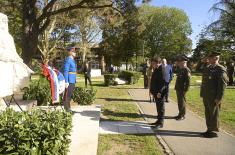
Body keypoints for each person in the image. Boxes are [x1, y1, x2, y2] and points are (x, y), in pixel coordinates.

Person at [200, 52, 228, 138]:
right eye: (209, 57)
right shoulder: (208, 67)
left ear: (216, 58)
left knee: (214, 114)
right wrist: (202, 93)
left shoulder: (220, 69)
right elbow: (203, 79)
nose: (208, 59)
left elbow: (222, 85)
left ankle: (213, 132)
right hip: (206, 95)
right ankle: (209, 129)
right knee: (208, 113)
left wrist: (219, 98)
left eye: (210, 57)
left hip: (214, 97)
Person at [149, 57, 166, 129]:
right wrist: (151, 90)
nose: (152, 65)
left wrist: (159, 92)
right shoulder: (156, 69)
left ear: (158, 63)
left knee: (161, 108)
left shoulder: (162, 69)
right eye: (152, 63)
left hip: (160, 92)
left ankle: (161, 123)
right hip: (155, 91)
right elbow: (153, 81)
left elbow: (163, 83)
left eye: (154, 63)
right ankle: (158, 120)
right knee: (158, 107)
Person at [174, 55, 191, 120]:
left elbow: (188, 81)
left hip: (182, 89)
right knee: (179, 102)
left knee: (182, 102)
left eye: (180, 62)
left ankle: (182, 115)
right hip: (178, 88)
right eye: (179, 61)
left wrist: (186, 89)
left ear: (184, 62)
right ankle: (180, 114)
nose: (178, 63)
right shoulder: (180, 69)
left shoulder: (186, 70)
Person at [63, 47, 77, 112]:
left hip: (72, 79)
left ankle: (68, 108)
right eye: (73, 52)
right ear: (70, 52)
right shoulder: (68, 60)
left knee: (70, 94)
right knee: (67, 95)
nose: (75, 53)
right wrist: (66, 81)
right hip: (69, 80)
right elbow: (66, 71)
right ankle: (67, 109)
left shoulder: (72, 60)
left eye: (75, 52)